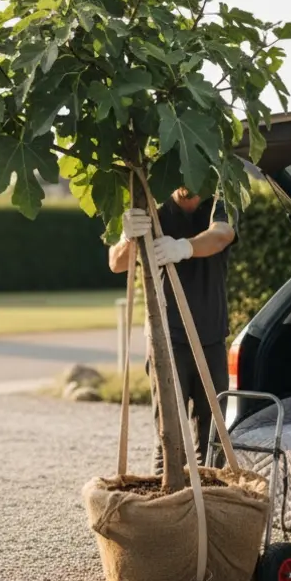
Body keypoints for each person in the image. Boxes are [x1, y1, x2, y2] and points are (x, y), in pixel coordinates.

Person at [107, 187, 237, 471]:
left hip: (211, 339)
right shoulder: (154, 210)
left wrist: (183, 248)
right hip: (166, 341)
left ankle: (209, 496)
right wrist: (127, 238)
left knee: (213, 439)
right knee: (169, 438)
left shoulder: (218, 204)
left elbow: (221, 235)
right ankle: (167, 495)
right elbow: (116, 263)